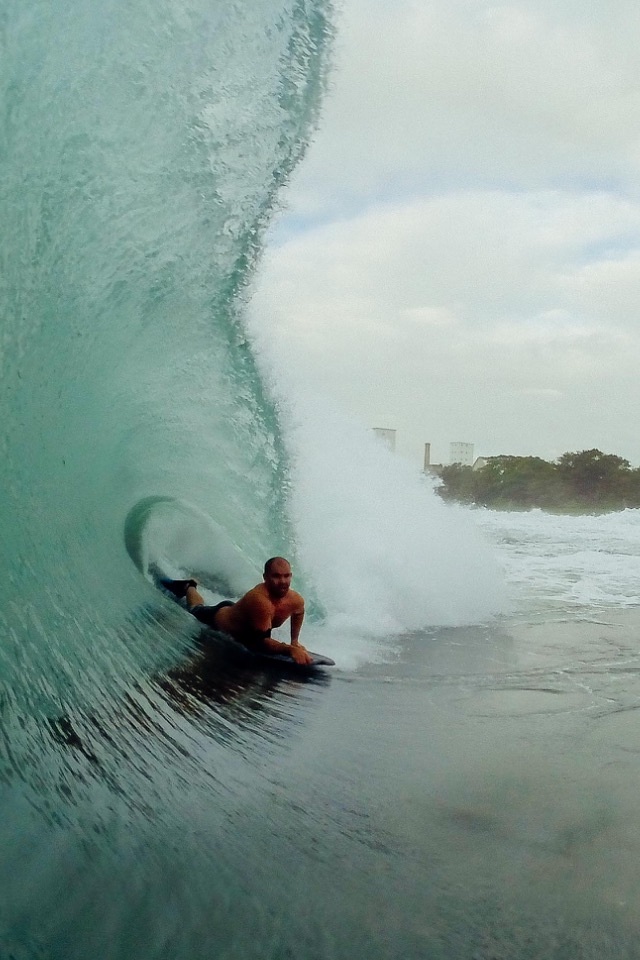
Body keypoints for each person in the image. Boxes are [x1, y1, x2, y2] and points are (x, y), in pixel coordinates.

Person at [163, 557, 313, 665]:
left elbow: (298, 612)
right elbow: (261, 642)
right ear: (265, 578)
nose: (283, 581)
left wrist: (295, 641)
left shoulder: (295, 599)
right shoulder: (260, 600)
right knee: (196, 609)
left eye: (287, 576)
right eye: (276, 576)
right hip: (220, 619)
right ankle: (189, 587)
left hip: (240, 615)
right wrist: (290, 650)